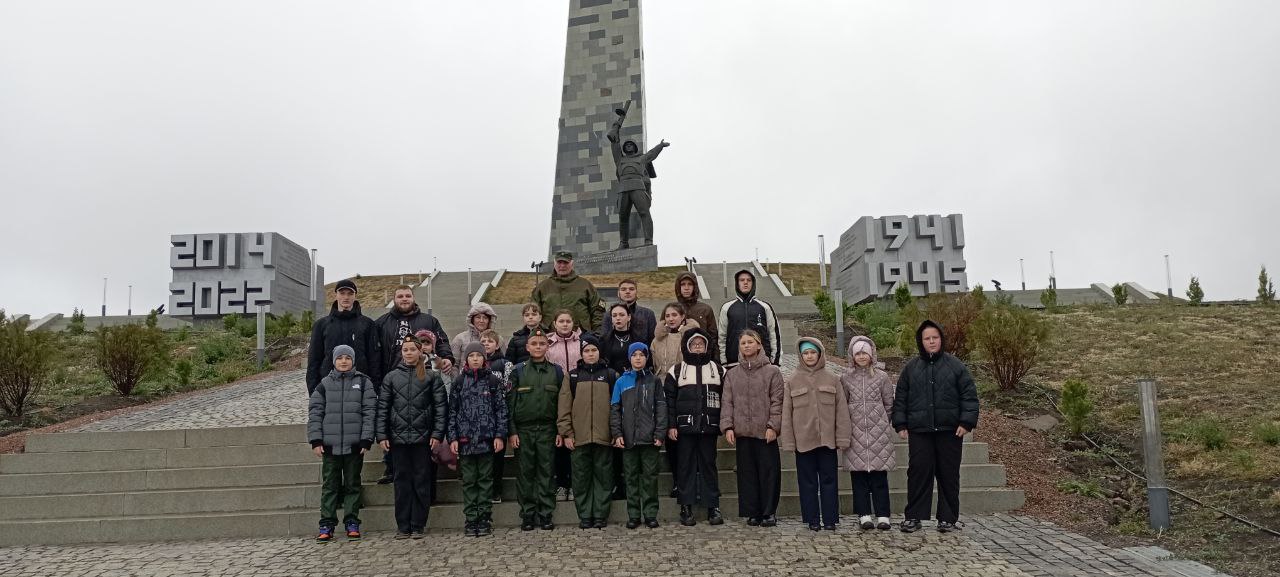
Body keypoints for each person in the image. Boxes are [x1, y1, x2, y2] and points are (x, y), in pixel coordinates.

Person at [892, 320, 980, 533]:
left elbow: (969, 395)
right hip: (920, 431)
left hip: (950, 430)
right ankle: (913, 517)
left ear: (941, 339)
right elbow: (901, 397)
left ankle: (947, 518)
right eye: (927, 338)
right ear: (921, 342)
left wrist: (966, 422)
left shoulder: (956, 366)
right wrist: (900, 423)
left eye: (935, 337)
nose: (931, 341)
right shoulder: (911, 368)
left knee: (948, 474)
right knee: (918, 473)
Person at [373, 286, 453, 485]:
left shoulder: (429, 321)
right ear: (394, 300)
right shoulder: (382, 322)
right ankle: (390, 466)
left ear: (413, 298)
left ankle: (425, 467)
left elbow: (441, 340)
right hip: (393, 380)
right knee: (393, 424)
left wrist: (448, 357)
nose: (404, 299)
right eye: (400, 296)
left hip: (420, 379)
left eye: (407, 295)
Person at [375, 336, 447, 539]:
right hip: (398, 440)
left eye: (412, 350)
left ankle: (418, 524)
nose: (408, 353)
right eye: (405, 350)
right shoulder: (391, 377)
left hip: (423, 438)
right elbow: (383, 409)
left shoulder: (432, 377)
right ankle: (403, 525)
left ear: (420, 352)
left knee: (421, 482)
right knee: (401, 482)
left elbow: (441, 408)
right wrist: (382, 435)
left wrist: (437, 434)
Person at [307, 344, 376, 543]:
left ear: (353, 360)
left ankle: (352, 521)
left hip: (355, 445)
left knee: (353, 484)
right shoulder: (324, 384)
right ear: (334, 361)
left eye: (347, 358)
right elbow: (315, 413)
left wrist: (366, 438)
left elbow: (369, 412)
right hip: (330, 445)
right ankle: (326, 523)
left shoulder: (364, 383)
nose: (343, 361)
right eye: (340, 358)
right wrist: (316, 440)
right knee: (330, 485)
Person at [782, 338, 852, 531]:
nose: (809, 356)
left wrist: (842, 437)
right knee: (807, 482)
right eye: (805, 353)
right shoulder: (792, 380)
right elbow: (786, 414)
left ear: (820, 354)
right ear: (800, 356)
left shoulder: (832, 379)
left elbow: (842, 411)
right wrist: (788, 442)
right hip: (803, 441)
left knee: (829, 480)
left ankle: (830, 519)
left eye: (812, 352)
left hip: (827, 440)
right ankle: (812, 519)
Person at [721, 330, 785, 527]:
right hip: (742, 432)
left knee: (768, 473)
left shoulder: (772, 372)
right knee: (747, 474)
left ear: (758, 345)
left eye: (751, 342)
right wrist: (728, 426)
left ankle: (768, 512)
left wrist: (773, 426)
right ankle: (753, 511)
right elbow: (727, 402)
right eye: (743, 343)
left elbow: (777, 401)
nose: (747, 346)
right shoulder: (732, 374)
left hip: (765, 431)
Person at [507, 328, 568, 531]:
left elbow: (562, 403)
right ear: (527, 347)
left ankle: (545, 513)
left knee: (546, 472)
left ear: (547, 346)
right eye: (534, 344)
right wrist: (512, 431)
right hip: (524, 431)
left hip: (548, 430)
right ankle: (527, 514)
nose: (538, 347)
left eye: (542, 344)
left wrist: (561, 431)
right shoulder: (518, 371)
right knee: (525, 474)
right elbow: (510, 404)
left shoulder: (556, 371)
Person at [664, 328, 725, 526]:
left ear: (707, 346)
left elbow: (727, 399)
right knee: (685, 466)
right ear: (687, 347)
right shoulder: (676, 371)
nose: (697, 347)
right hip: (684, 428)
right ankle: (686, 506)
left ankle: (712, 506)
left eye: (701, 344)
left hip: (709, 426)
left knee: (708, 465)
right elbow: (670, 401)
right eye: (693, 344)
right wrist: (672, 425)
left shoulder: (718, 370)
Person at [447, 342, 509, 537]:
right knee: (469, 481)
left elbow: (501, 410)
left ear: (484, 358)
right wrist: (453, 437)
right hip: (465, 440)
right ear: (466, 358)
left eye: (478, 355)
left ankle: (484, 517)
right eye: (471, 355)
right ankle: (471, 517)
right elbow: (452, 411)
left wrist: (500, 435)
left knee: (484, 480)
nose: (475, 358)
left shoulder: (492, 381)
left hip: (486, 439)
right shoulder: (459, 382)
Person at [558, 334, 617, 529]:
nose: (590, 354)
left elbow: (617, 406)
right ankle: (585, 514)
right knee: (581, 478)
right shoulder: (572, 376)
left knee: (603, 476)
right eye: (586, 351)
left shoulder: (610, 375)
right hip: (579, 437)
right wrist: (567, 433)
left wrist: (615, 433)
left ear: (599, 352)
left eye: (593, 350)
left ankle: (600, 514)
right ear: (581, 353)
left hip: (603, 436)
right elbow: (564, 406)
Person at [839, 336, 894, 531]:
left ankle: (883, 514)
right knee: (859, 478)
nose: (861, 357)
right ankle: (863, 514)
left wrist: (882, 423)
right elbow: (843, 404)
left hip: (878, 433)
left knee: (880, 478)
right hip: (855, 433)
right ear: (853, 356)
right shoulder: (846, 378)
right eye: (858, 353)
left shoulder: (881, 377)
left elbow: (889, 403)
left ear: (871, 355)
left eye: (865, 353)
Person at [611, 342, 666, 529]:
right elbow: (615, 410)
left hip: (650, 438)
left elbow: (661, 408)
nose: (638, 358)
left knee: (650, 477)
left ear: (646, 358)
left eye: (641, 355)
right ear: (629, 358)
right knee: (631, 477)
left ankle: (650, 513)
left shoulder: (655, 381)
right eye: (634, 355)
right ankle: (633, 514)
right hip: (628, 439)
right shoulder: (621, 381)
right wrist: (617, 433)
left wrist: (660, 433)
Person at [650, 302, 700, 499]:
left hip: (686, 389)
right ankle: (677, 482)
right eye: (667, 315)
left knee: (688, 440)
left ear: (682, 317)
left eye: (674, 315)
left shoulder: (689, 337)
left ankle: (692, 480)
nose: (670, 318)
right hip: (664, 389)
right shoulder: (657, 340)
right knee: (671, 439)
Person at [607, 100, 669, 248]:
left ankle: (648, 241)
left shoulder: (641, 158)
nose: (628, 146)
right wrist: (616, 125)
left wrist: (660, 146)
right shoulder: (619, 159)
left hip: (637, 187)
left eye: (631, 145)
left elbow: (652, 154)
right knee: (623, 217)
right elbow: (613, 141)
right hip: (623, 188)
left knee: (644, 213)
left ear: (634, 148)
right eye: (626, 145)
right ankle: (623, 243)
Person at [307, 279, 382, 395]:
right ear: (336, 295)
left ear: (355, 296)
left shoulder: (368, 324)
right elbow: (314, 361)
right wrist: (314, 392)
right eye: (342, 293)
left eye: (350, 293)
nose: (346, 297)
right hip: (329, 387)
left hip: (360, 387)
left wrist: (374, 390)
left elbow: (374, 360)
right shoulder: (321, 325)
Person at [544, 309, 581, 502]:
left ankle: (575, 483)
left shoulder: (581, 343)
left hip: (579, 393)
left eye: (568, 321)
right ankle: (561, 484)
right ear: (555, 323)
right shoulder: (549, 345)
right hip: (556, 394)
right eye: (561, 321)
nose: (565, 324)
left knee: (575, 441)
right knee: (560, 441)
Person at [717, 270, 780, 367]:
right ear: (737, 284)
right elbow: (722, 336)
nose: (745, 282)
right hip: (734, 363)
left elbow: (773, 334)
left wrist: (775, 361)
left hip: (761, 363)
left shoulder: (765, 307)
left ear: (753, 283)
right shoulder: (727, 308)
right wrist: (723, 362)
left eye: (749, 280)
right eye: (742, 280)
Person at [532, 251, 603, 335]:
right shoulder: (542, 287)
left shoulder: (585, 285)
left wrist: (597, 334)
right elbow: (533, 314)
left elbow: (597, 311)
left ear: (572, 264)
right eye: (559, 262)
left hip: (581, 337)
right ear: (554, 263)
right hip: (550, 337)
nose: (562, 266)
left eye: (565, 262)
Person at [481, 329, 512, 504]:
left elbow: (508, 387)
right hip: (479, 417)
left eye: (489, 341)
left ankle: (496, 491)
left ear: (497, 344)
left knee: (497, 456)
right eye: (483, 341)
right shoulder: (474, 362)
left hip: (498, 414)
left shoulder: (504, 363)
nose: (486, 344)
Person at [674, 271, 719, 362]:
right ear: (678, 287)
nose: (686, 288)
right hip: (678, 360)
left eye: (690, 284)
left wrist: (715, 361)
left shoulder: (706, 309)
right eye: (683, 284)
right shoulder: (672, 310)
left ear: (695, 287)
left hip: (702, 358)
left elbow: (713, 338)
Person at [602, 279, 656, 345]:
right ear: (618, 293)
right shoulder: (609, 315)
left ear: (636, 292)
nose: (627, 292)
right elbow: (605, 339)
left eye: (631, 289)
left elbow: (653, 340)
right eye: (623, 289)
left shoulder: (648, 314)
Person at [600, 303, 641, 374]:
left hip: (634, 379)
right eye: (614, 315)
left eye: (621, 315)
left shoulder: (638, 339)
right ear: (611, 319)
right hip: (611, 379)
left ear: (629, 317)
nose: (618, 318)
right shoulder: (604, 340)